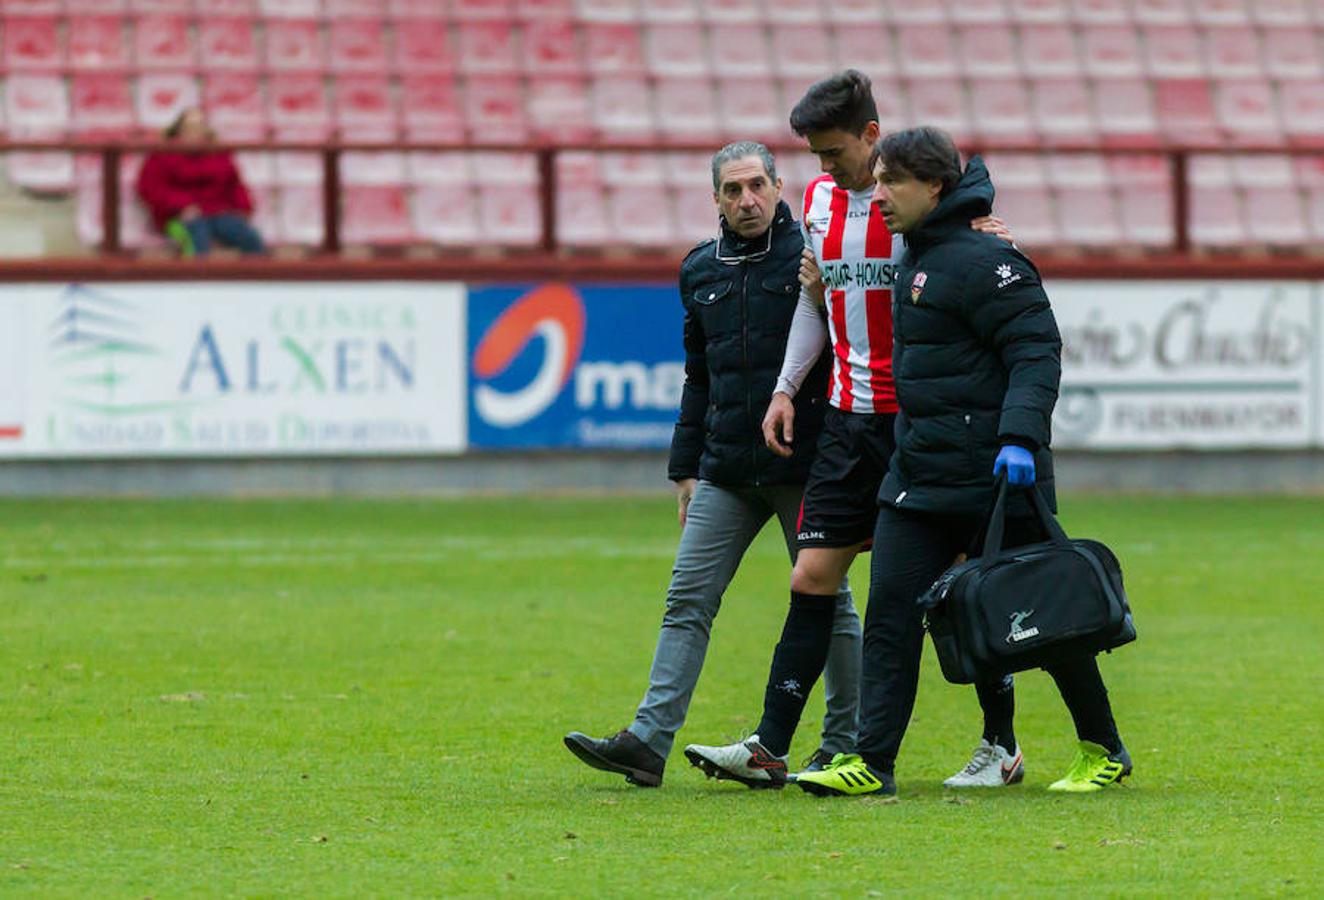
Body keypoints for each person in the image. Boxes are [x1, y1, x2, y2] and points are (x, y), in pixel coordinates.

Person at [683, 71, 1014, 788]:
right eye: (815, 156)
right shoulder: (820, 200)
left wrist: (982, 230)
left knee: (957, 584)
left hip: (919, 423)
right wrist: (784, 387)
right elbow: (818, 298)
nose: (823, 168)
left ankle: (1001, 743)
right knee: (811, 575)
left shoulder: (920, 209)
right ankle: (771, 746)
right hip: (846, 416)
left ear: (872, 135)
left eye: (833, 152)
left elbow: (975, 271)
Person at [795, 127, 1131, 798]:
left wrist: (1018, 440)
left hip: (998, 479)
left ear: (936, 188)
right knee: (891, 616)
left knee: (1048, 617)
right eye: (878, 180)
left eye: (893, 183)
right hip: (918, 478)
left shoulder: (989, 262)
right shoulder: (917, 253)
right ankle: (873, 764)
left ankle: (1103, 748)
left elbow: (1036, 352)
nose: (879, 194)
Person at [562, 141, 862, 787]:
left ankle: (845, 744)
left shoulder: (816, 256)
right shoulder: (700, 269)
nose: (747, 199)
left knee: (829, 601)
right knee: (687, 599)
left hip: (806, 461)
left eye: (757, 184)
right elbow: (698, 378)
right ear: (716, 200)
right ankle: (648, 742)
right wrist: (685, 468)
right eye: (732, 190)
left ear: (780, 186)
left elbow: (852, 344)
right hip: (726, 466)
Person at [136, 107, 266, 257]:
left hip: (217, 212)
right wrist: (181, 206)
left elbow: (235, 185)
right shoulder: (162, 154)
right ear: (178, 130)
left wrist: (244, 208)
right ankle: (194, 279)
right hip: (176, 218)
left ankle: (254, 278)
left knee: (249, 237)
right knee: (196, 238)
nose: (195, 132)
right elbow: (151, 188)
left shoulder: (219, 154)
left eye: (200, 127)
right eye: (190, 127)